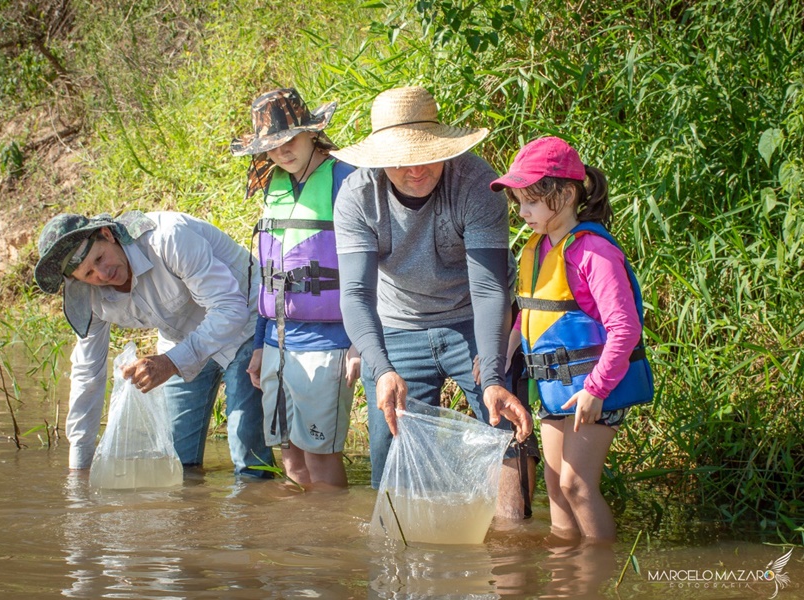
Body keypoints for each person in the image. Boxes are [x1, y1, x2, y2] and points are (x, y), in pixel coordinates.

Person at [330, 86, 538, 506]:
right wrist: (382, 367)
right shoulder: (357, 196)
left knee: (504, 432)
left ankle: (514, 544)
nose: (416, 170)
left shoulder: (477, 183)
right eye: (402, 160)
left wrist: (494, 375)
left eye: (426, 154)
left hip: (473, 321)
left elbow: (488, 287)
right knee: (395, 456)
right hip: (398, 324)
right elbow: (354, 293)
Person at [491, 136, 654, 540]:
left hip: (593, 390)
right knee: (555, 485)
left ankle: (601, 575)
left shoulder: (592, 252)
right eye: (518, 203)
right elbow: (533, 311)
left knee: (576, 486)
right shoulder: (539, 246)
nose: (522, 212)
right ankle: (567, 577)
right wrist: (506, 347)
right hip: (555, 388)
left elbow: (625, 328)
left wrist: (595, 390)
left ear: (563, 195)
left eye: (529, 201)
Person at [33, 210, 274, 477]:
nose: (103, 274)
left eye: (100, 258)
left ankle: (256, 505)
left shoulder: (167, 238)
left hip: (248, 324)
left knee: (247, 452)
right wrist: (79, 467)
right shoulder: (88, 297)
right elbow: (87, 373)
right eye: (89, 273)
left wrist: (170, 363)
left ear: (107, 234)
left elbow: (230, 309)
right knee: (177, 463)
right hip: (181, 340)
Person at [230, 88, 361, 487]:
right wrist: (258, 343)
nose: (283, 152)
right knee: (290, 459)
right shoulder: (274, 184)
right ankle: (300, 545)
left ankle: (329, 547)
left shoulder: (346, 177)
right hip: (277, 344)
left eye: (290, 140)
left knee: (321, 461)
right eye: (272, 146)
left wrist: (359, 341)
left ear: (312, 133)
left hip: (328, 342)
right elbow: (269, 275)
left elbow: (372, 264)